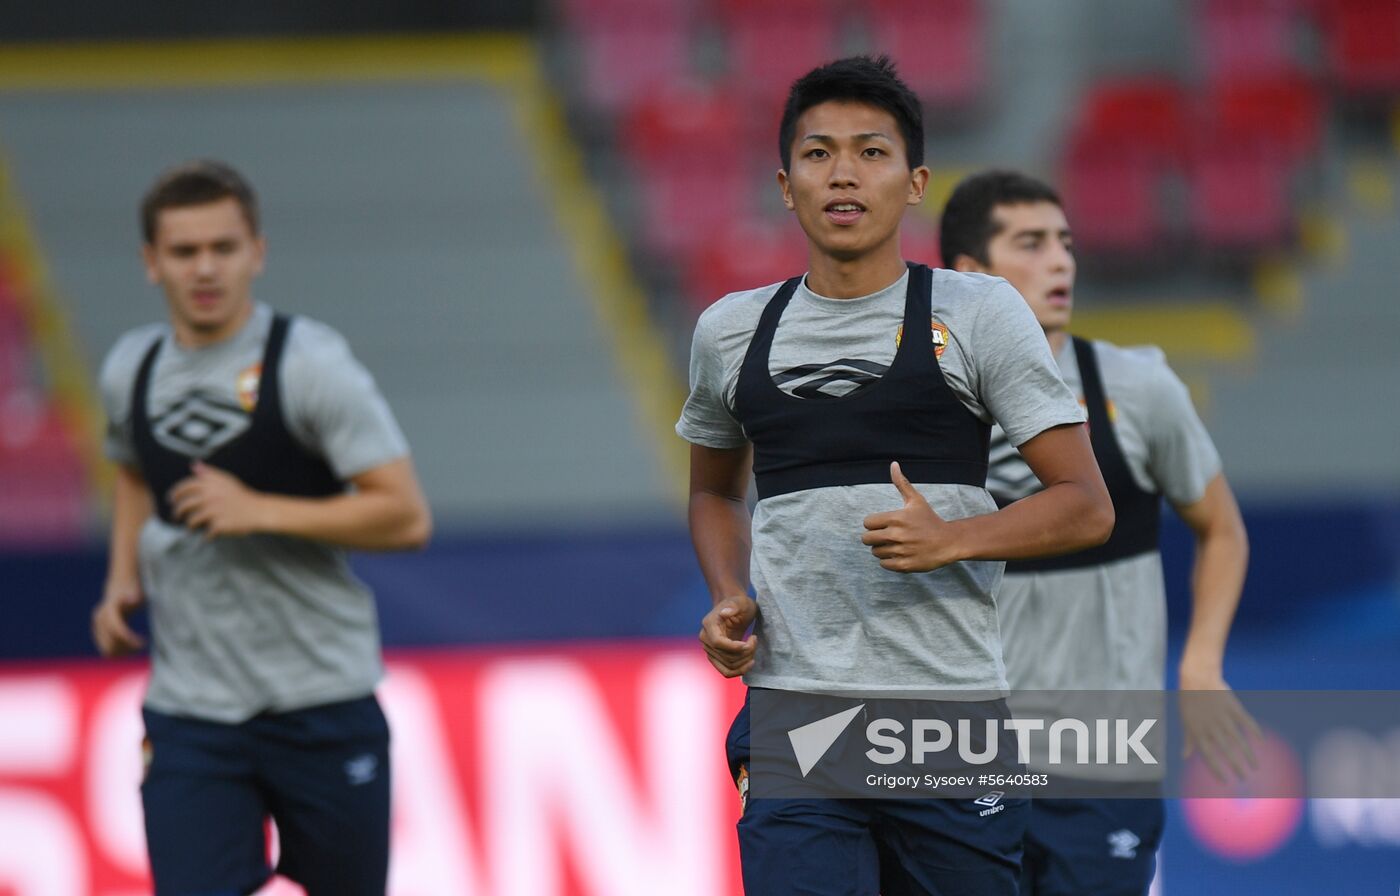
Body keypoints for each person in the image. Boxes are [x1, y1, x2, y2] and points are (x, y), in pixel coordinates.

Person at [676, 57, 1115, 895]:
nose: (843, 173)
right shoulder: (730, 331)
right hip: (796, 716)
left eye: (871, 152)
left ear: (915, 182)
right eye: (818, 153)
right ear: (784, 182)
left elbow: (1086, 506)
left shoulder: (979, 313)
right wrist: (728, 590)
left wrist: (953, 540)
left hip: (949, 721)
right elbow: (712, 490)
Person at [90, 159, 431, 896]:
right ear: (152, 263)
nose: (205, 268)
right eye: (184, 251)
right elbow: (130, 469)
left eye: (224, 246)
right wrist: (122, 580)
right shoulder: (131, 369)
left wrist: (261, 510)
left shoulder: (309, 366)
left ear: (258, 252)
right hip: (192, 713)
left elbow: (405, 514)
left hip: (322, 700)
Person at [939, 169, 1253, 896]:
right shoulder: (928, 410)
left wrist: (1200, 667)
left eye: (1066, 242)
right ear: (970, 274)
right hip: (965, 758)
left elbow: (1223, 530)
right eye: (1032, 243)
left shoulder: (1138, 390)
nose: (1061, 262)